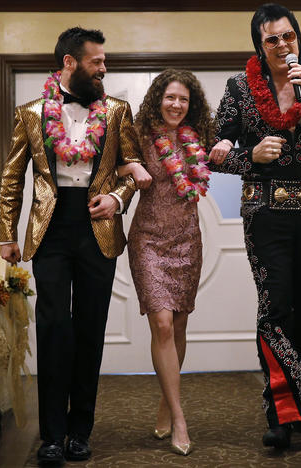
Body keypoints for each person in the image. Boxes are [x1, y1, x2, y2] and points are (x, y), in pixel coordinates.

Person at [209, 3, 301, 449]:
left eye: (288, 36)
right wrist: (248, 157)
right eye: (272, 39)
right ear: (260, 43)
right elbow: (210, 152)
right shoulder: (239, 87)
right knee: (275, 310)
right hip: (265, 213)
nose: (282, 45)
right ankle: (284, 410)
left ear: (298, 37)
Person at [0, 26, 149, 465]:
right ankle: (51, 435)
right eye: (96, 61)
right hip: (51, 229)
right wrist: (7, 234)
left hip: (97, 227)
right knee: (52, 329)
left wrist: (118, 198)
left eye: (104, 61)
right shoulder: (30, 112)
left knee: (89, 329)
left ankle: (80, 430)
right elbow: (12, 177)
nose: (104, 68)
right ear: (69, 63)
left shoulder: (119, 110)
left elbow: (131, 168)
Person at [118, 69, 213, 456]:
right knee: (160, 322)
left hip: (187, 238)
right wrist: (132, 167)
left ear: (191, 106)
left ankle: (165, 399)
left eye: (184, 100)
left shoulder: (198, 137)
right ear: (159, 98)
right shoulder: (140, 134)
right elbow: (112, 165)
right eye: (170, 97)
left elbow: (222, 158)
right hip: (148, 240)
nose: (176, 104)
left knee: (178, 323)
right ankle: (179, 417)